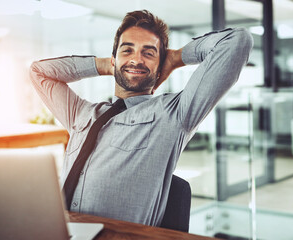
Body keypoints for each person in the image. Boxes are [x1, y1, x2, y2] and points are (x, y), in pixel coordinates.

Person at [30, 10, 253, 226]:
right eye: (127, 50)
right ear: (114, 59)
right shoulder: (81, 113)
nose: (137, 59)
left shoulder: (173, 115)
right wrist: (104, 65)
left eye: (148, 53)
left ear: (160, 67)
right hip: (60, 230)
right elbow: (39, 72)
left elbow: (237, 41)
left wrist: (176, 58)